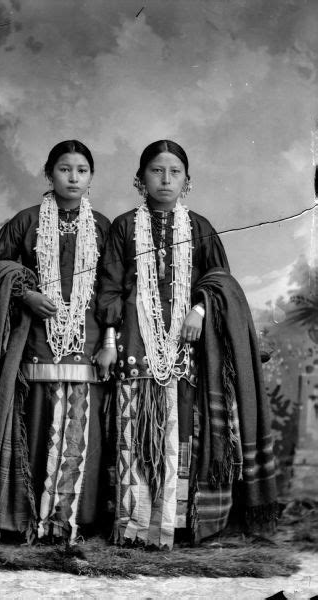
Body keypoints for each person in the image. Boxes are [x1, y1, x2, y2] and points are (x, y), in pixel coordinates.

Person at [96, 140, 277, 550]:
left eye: (174, 172)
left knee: (182, 429)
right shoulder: (124, 227)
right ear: (140, 180)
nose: (165, 179)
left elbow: (221, 283)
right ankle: (135, 525)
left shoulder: (200, 228)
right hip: (134, 346)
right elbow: (107, 289)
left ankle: (177, 524)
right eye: (157, 171)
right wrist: (109, 340)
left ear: (187, 182)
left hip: (187, 348)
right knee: (135, 431)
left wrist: (198, 308)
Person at [0, 140, 111, 543]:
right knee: (37, 423)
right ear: (48, 174)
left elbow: (115, 287)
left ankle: (76, 519)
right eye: (64, 169)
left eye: (81, 170)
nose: (73, 177)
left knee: (85, 429)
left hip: (87, 341)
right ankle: (28, 517)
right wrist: (24, 294)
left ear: (91, 177)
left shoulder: (103, 227)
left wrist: (109, 339)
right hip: (36, 340)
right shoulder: (26, 222)